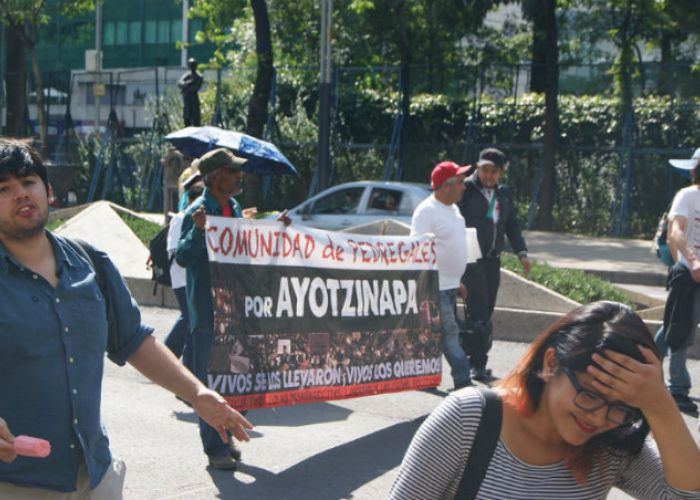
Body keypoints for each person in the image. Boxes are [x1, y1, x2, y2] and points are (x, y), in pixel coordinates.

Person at [0, 139, 252, 498]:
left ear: (47, 189)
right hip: (15, 482)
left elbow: (134, 339)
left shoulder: (89, 263)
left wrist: (197, 393)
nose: (20, 195)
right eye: (4, 189)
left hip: (95, 473)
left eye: (27, 182)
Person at [390, 301, 700, 499]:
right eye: (590, 395)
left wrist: (659, 403)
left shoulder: (612, 444)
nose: (598, 417)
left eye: (619, 406)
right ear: (551, 363)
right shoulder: (468, 419)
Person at [177, 148, 288, 470]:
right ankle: (216, 449)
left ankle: (224, 433)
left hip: (237, 309)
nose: (240, 176)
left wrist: (273, 227)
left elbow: (246, 244)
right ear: (215, 177)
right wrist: (198, 231)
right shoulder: (199, 211)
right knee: (211, 384)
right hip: (209, 312)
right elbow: (183, 258)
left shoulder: (233, 207)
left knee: (242, 377)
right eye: (233, 171)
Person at [457, 147, 530, 382]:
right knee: (477, 311)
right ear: (477, 168)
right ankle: (475, 364)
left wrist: (521, 252)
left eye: (494, 172)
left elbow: (512, 226)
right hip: (471, 261)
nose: (488, 176)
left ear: (501, 172)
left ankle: (476, 360)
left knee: (486, 312)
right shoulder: (465, 190)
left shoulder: (503, 194)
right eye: (484, 170)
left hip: (492, 262)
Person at [411, 161, 472, 390]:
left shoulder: (453, 209)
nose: (464, 187)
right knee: (449, 333)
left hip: (449, 284)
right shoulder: (426, 212)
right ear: (446, 186)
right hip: (434, 285)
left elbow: (452, 247)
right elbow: (416, 250)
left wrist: (458, 281)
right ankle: (463, 380)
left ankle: (426, 378)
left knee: (436, 334)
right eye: (460, 183)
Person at [656, 148, 700, 414]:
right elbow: (676, 231)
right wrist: (693, 260)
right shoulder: (688, 196)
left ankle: (643, 360)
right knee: (681, 327)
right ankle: (678, 389)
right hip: (687, 271)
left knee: (672, 325)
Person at [164, 174, 203, 376]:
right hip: (182, 281)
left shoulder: (198, 220)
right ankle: (185, 374)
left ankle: (167, 357)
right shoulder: (180, 219)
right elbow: (174, 251)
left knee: (189, 323)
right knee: (191, 326)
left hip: (193, 280)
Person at [177, 57, 204, 127]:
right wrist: (188, 83)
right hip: (187, 100)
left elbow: (195, 88)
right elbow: (180, 83)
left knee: (196, 121)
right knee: (186, 119)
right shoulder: (187, 75)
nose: (192, 66)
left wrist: (185, 88)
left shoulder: (199, 76)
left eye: (193, 65)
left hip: (194, 100)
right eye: (190, 65)